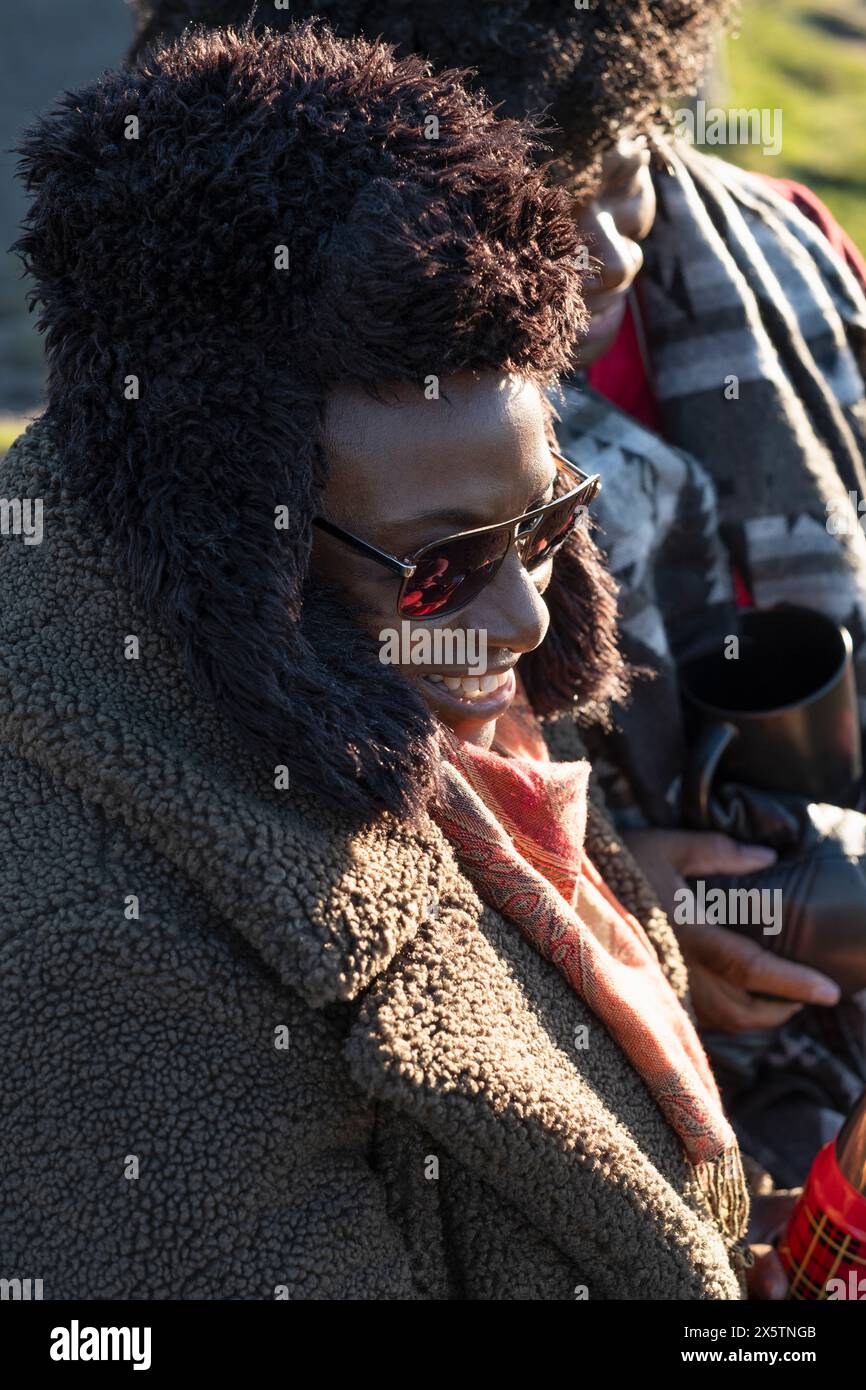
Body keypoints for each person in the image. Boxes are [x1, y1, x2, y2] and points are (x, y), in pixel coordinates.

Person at [1, 20, 792, 1300]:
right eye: (438, 566)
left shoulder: (393, 652)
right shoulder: (92, 962)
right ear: (230, 538)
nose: (527, 619)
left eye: (544, 525)